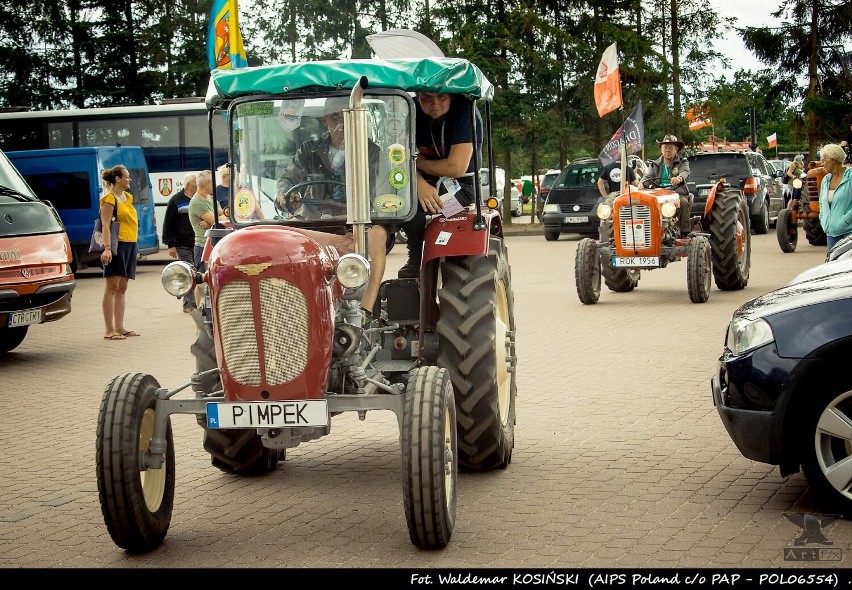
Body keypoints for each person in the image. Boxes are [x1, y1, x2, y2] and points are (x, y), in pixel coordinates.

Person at [274, 97, 387, 317]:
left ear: (356, 119)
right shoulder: (310, 150)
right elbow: (288, 177)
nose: (341, 123)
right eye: (335, 117)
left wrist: (366, 214)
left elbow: (379, 191)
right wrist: (284, 192)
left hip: (356, 221)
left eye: (346, 116)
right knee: (281, 240)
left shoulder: (370, 151)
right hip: (315, 220)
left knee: (377, 235)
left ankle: (365, 310)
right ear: (325, 120)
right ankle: (293, 309)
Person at [398, 91, 482, 278]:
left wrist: (418, 163)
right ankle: (415, 255)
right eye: (427, 98)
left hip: (461, 184)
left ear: (452, 96)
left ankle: (450, 255)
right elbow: (397, 156)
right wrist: (418, 182)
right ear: (418, 96)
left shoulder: (465, 111)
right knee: (403, 205)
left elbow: (456, 168)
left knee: (437, 206)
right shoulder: (406, 109)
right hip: (417, 179)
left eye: (442, 97)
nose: (435, 104)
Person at [99, 164, 140, 340]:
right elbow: (105, 225)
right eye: (127, 176)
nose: (129, 179)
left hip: (131, 244)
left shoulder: (127, 197)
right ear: (118, 179)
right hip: (118, 245)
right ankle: (109, 330)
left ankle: (120, 327)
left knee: (122, 287)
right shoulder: (109, 199)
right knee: (112, 288)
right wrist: (107, 249)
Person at [640, 135, 692, 235]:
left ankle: (685, 232)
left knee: (683, 202)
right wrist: (642, 183)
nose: (667, 150)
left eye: (670, 148)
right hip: (658, 195)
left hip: (677, 193)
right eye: (665, 148)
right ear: (661, 150)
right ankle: (647, 232)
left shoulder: (683, 162)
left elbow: (685, 172)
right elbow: (647, 177)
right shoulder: (655, 164)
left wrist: (679, 178)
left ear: (676, 149)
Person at [189, 170, 227, 306]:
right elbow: (217, 221)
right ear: (206, 184)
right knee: (202, 281)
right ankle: (200, 308)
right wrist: (214, 220)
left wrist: (214, 220)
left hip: (213, 245)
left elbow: (222, 218)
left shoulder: (210, 198)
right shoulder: (197, 202)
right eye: (212, 181)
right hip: (202, 246)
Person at [162, 172, 198, 313]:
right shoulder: (176, 200)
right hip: (182, 243)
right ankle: (191, 304)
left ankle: (188, 304)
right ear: (189, 185)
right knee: (189, 273)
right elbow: (168, 223)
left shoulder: (197, 199)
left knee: (192, 273)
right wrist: (170, 245)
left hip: (196, 242)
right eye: (196, 184)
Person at [817, 144, 852, 250]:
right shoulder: (826, 180)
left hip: (849, 234)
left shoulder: (850, 176)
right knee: (832, 265)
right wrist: (823, 220)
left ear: (833, 160)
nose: (822, 164)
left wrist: (845, 220)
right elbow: (822, 203)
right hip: (831, 234)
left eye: (824, 160)